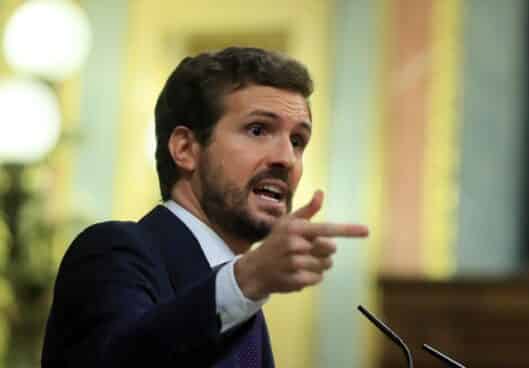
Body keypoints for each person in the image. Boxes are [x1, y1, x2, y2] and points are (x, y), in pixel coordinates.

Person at [41, 47, 369, 367]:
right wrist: (246, 281)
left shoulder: (243, 297)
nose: (286, 158)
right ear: (185, 149)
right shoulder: (115, 252)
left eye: (297, 141)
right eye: (258, 130)